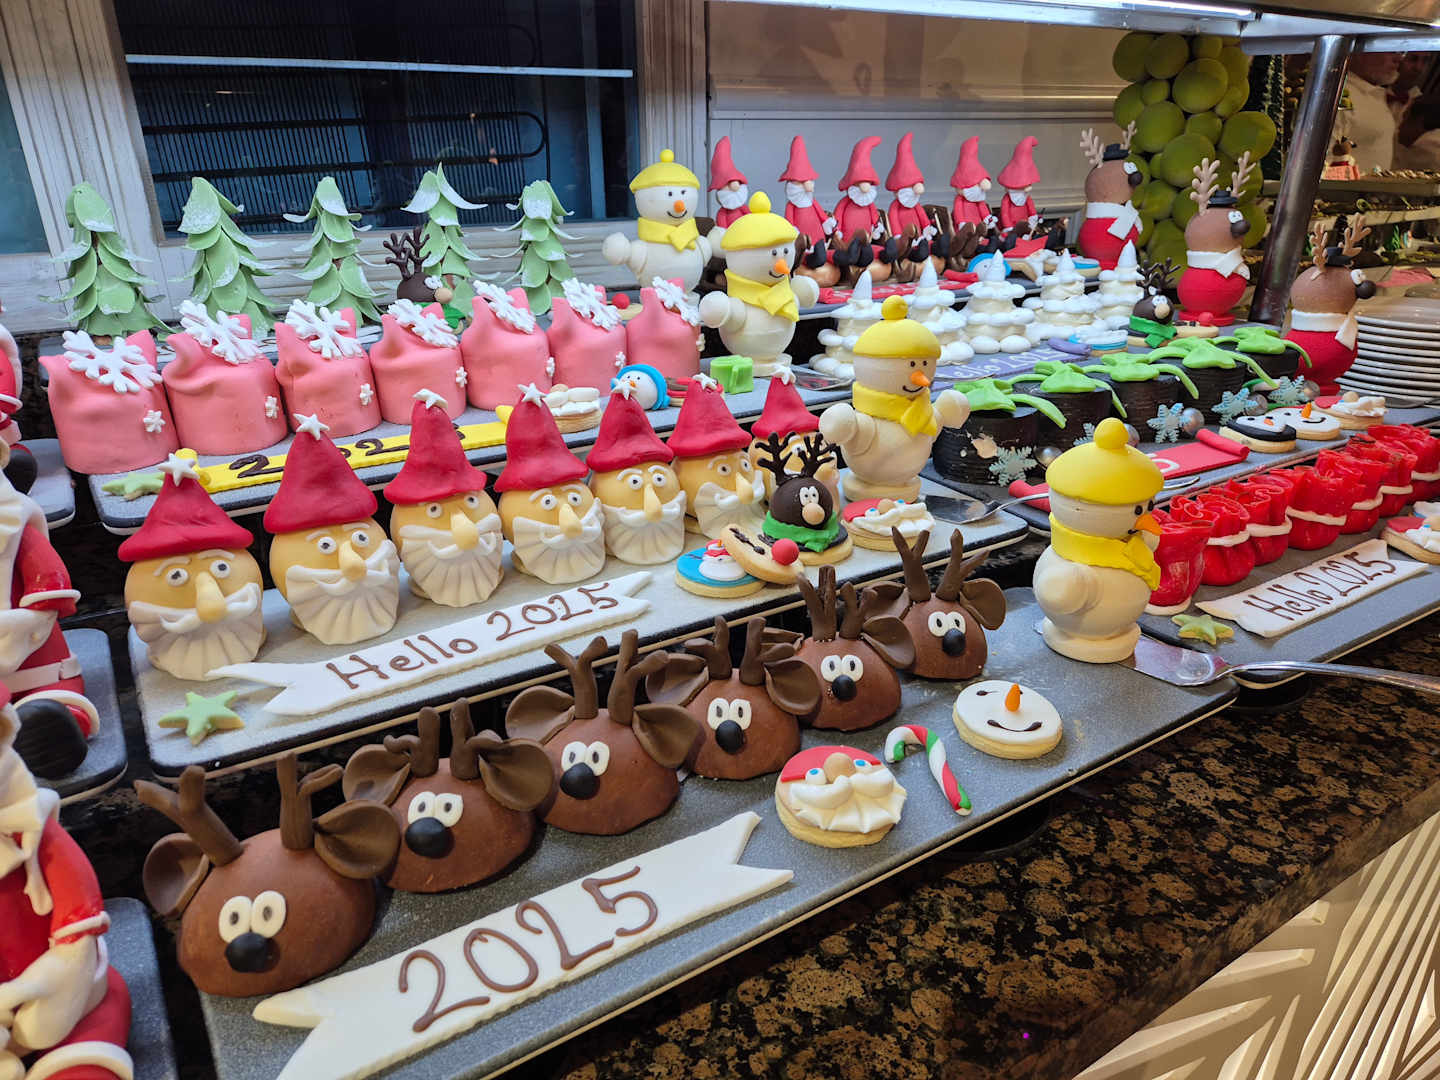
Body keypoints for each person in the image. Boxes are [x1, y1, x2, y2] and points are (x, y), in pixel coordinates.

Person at [1336, 52, 1403, 172]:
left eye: (1401, 52)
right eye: (1391, 50)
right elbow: (1322, 160)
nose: (1398, 58)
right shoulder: (1340, 92)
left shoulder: (1373, 93)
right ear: (1360, 52)